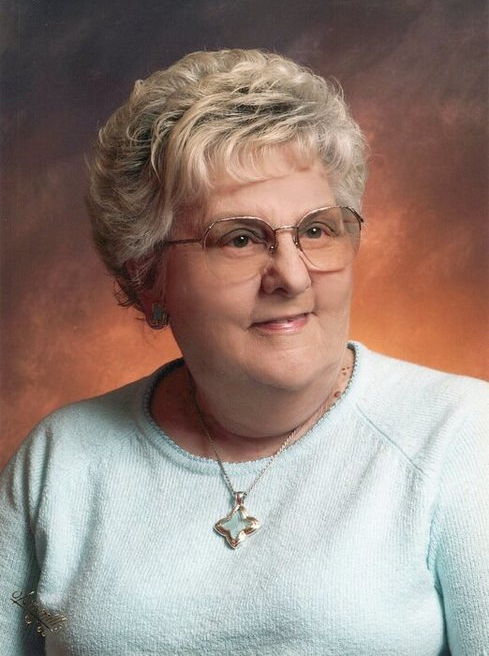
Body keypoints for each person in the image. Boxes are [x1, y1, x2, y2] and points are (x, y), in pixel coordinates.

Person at [0, 49, 488, 656]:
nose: (292, 276)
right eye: (239, 239)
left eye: (316, 230)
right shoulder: (61, 461)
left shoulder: (461, 437)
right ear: (148, 277)